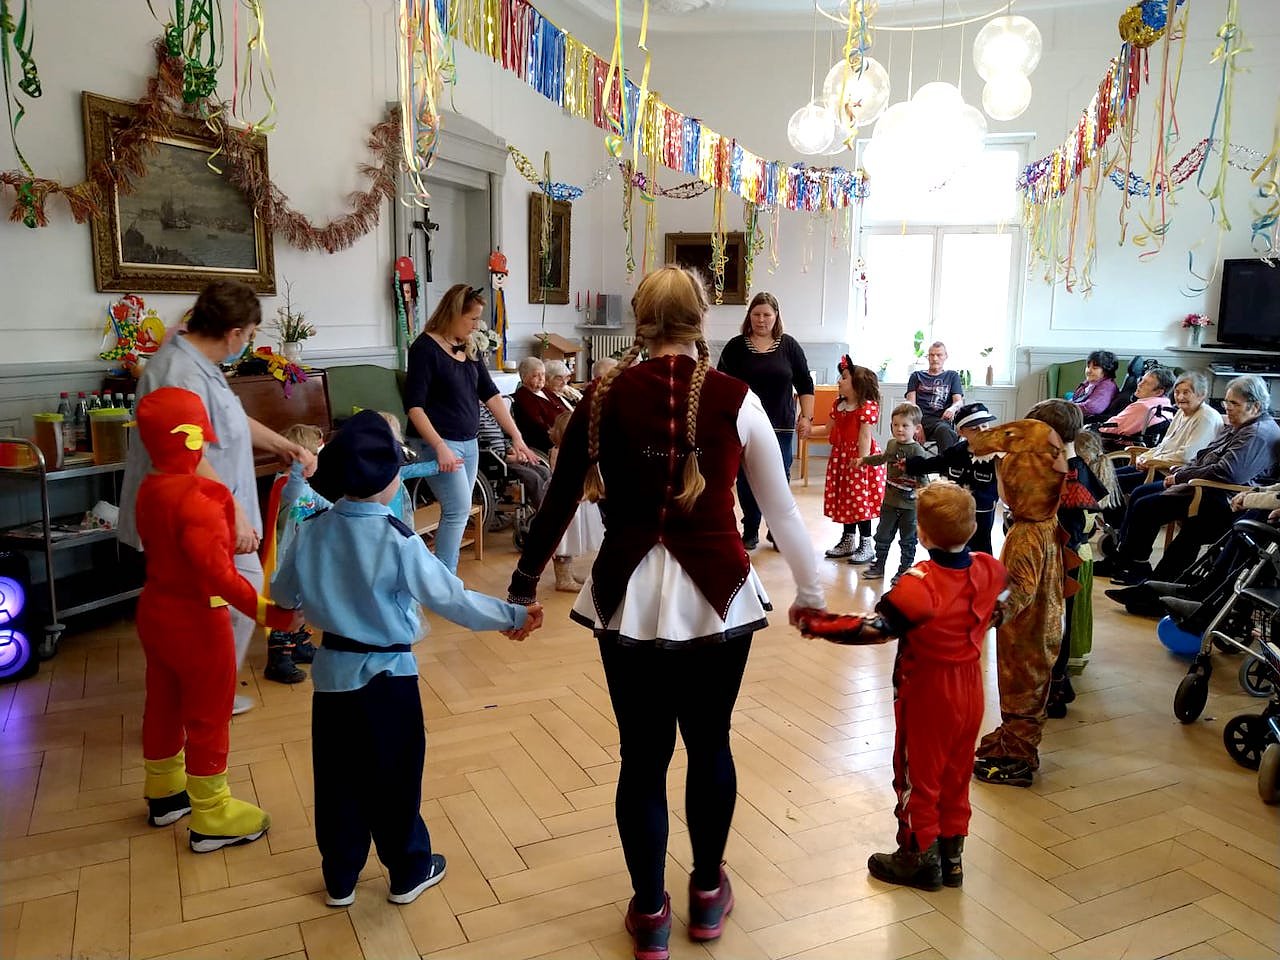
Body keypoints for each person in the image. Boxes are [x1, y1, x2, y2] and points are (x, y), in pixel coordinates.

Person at [506, 266, 826, 960]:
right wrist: (812, 592)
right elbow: (781, 513)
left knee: (642, 758)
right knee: (711, 745)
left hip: (628, 596)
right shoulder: (737, 397)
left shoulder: (601, 395)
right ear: (703, 319)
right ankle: (707, 893)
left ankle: (651, 914)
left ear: (641, 320)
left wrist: (523, 586)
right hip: (717, 597)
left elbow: (558, 500)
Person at [271, 411, 543, 907]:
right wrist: (512, 615)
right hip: (389, 679)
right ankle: (408, 870)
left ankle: (340, 879)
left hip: (331, 678)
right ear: (389, 479)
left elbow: (284, 596)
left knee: (337, 779)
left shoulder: (311, 529)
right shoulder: (398, 539)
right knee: (394, 777)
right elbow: (451, 599)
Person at [119, 279, 318, 716]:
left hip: (217, 508)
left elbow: (233, 419)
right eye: (250, 335)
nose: (247, 343)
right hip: (196, 514)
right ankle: (203, 696)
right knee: (225, 601)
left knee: (235, 600)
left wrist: (285, 446)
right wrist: (234, 513)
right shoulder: (176, 373)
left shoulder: (203, 365)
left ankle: (209, 692)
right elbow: (187, 456)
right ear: (233, 333)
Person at [797, 483, 1006, 891]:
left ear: (922, 535)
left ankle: (918, 856)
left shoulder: (920, 585)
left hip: (929, 689)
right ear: (971, 528)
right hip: (971, 687)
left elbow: (877, 629)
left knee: (917, 776)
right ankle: (952, 859)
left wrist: (819, 624)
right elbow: (1004, 601)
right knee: (957, 771)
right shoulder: (987, 567)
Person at [133, 388, 300, 851]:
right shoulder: (200, 496)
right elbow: (221, 578)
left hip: (156, 610)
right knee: (209, 714)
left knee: (163, 703)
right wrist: (271, 613)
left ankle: (164, 791)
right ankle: (211, 813)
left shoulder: (150, 488)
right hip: (197, 622)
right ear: (193, 437)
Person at [404, 284, 537, 574]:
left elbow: (491, 396)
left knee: (460, 512)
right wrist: (440, 446)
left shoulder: (468, 348)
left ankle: (443, 578)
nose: (477, 326)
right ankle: (444, 580)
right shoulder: (424, 349)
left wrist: (516, 436)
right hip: (437, 442)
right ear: (454, 313)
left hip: (468, 441)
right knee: (457, 511)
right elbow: (414, 408)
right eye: (473, 319)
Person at [1103, 375, 1280, 586]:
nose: (1228, 408)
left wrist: (1180, 476)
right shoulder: (1241, 424)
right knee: (1141, 495)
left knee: (1147, 505)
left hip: (1221, 495)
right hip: (1201, 485)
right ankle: (1126, 561)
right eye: (1227, 402)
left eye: (1234, 403)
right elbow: (1203, 455)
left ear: (1255, 406)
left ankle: (1140, 568)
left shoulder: (1257, 434)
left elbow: (1228, 472)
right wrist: (1183, 472)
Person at [968, 419, 1068, 787]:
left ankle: (1019, 758)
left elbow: (1019, 590)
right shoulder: (1045, 519)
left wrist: (984, 614)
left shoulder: (1027, 534)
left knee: (1022, 693)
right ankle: (1014, 739)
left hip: (1027, 633)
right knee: (1027, 691)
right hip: (1041, 625)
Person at [715, 292, 816, 550]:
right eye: (756, 314)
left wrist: (806, 417)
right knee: (746, 478)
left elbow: (805, 383)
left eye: (766, 315)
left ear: (776, 316)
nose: (761, 320)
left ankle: (777, 530)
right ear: (749, 316)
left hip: (781, 425)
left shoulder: (789, 346)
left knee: (779, 478)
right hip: (744, 425)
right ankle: (750, 529)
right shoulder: (736, 347)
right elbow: (720, 385)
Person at [261, 423, 331, 684]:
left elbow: (324, 507)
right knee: (285, 608)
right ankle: (278, 660)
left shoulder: (304, 487)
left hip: (301, 558)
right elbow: (294, 495)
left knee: (300, 604)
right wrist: (300, 467)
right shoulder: (286, 485)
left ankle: (299, 644)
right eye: (317, 456)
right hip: (282, 562)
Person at [1109, 371, 1222, 508]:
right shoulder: (1181, 412)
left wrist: (1151, 461)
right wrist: (1144, 458)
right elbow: (1164, 445)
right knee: (1108, 477)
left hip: (1172, 472)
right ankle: (1117, 520)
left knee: (1112, 483)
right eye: (1177, 392)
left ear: (1201, 394)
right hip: (1156, 465)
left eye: (1186, 393)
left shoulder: (1206, 418)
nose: (1180, 397)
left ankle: (1118, 519)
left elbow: (1188, 456)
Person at [904, 402, 999, 554]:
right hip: (955, 510)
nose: (982, 431)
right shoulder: (955, 452)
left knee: (981, 546)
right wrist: (909, 464)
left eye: (985, 426)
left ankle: (981, 568)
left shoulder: (996, 456)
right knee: (949, 543)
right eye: (974, 429)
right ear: (961, 432)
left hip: (982, 512)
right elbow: (934, 463)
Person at [822, 358, 887, 564]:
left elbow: (865, 436)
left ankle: (866, 543)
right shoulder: (838, 405)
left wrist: (862, 460)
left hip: (860, 458)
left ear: (857, 383)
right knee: (846, 498)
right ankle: (848, 539)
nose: (839, 381)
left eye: (843, 378)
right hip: (841, 458)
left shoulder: (866, 406)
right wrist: (807, 431)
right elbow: (827, 429)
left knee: (859, 499)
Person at [858, 403, 928, 583]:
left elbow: (923, 478)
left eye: (905, 425)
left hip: (909, 506)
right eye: (896, 425)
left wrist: (926, 500)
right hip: (889, 502)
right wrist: (864, 460)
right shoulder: (891, 444)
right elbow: (882, 458)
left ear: (916, 428)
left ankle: (904, 570)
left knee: (908, 540)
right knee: (882, 535)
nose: (899, 429)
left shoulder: (917, 451)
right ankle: (879, 565)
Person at [548, 412, 604, 592]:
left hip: (579, 500)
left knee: (571, 539)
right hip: (567, 501)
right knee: (564, 540)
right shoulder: (560, 452)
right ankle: (563, 578)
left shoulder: (574, 452)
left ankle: (568, 573)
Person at [905, 342, 964, 452]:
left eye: (939, 355)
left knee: (945, 431)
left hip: (941, 420)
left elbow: (958, 402)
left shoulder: (952, 376)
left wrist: (952, 408)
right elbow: (911, 404)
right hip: (919, 419)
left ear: (946, 356)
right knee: (900, 425)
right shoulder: (916, 376)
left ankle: (946, 462)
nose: (935, 358)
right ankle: (904, 461)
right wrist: (917, 425)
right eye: (931, 355)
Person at [1097, 366, 1175, 445]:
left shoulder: (1143, 407)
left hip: (1123, 448)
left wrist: (1095, 428)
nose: (1139, 384)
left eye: (1146, 383)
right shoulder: (1167, 405)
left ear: (1158, 392)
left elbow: (1107, 429)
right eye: (1141, 380)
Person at [510, 356, 565, 453]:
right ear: (523, 377)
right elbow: (541, 429)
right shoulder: (524, 398)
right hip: (552, 443)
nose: (541, 379)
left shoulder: (545, 391)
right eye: (535, 376)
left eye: (543, 374)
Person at [1069, 350, 1120, 418]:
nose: (1089, 371)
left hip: (1087, 420)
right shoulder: (1088, 383)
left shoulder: (1107, 386)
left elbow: (1092, 407)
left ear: (1106, 371)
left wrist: (1066, 408)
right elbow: (1074, 400)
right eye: (1088, 366)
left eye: (1095, 368)